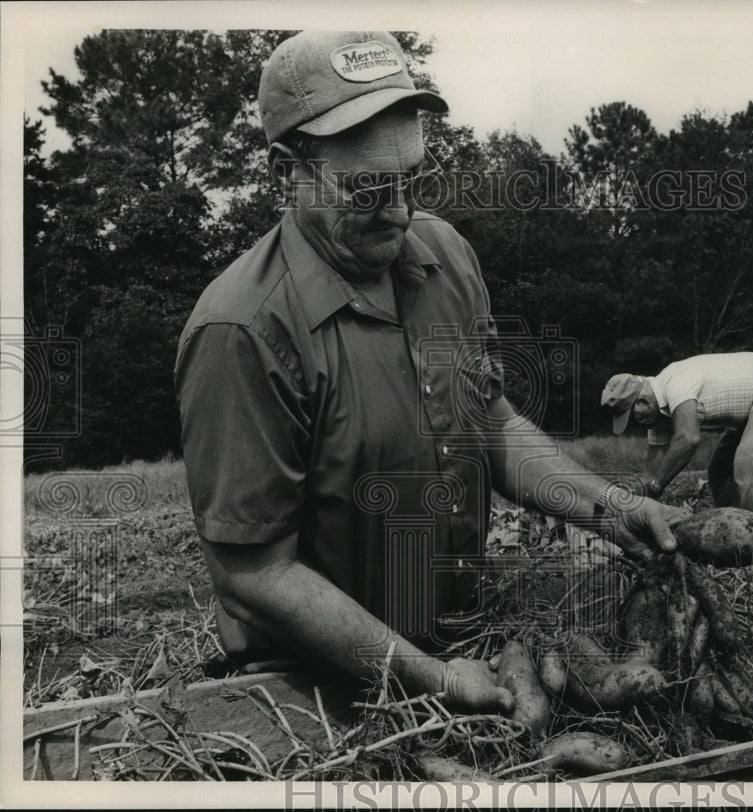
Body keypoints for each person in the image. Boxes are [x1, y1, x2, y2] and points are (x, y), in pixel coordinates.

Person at [175, 31, 681, 716]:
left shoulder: (445, 258)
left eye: (411, 178)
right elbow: (256, 574)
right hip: (311, 695)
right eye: (366, 188)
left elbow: (491, 424)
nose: (401, 211)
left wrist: (609, 510)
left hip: (463, 644)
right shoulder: (243, 332)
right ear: (282, 173)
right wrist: (429, 678)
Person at [601, 352, 753, 531]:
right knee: (719, 471)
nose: (638, 424)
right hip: (752, 405)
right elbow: (649, 477)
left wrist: (657, 487)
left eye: (634, 417)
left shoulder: (674, 383)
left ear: (643, 401)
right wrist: (622, 506)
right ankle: (740, 533)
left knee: (750, 463)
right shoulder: (657, 419)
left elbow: (688, 438)